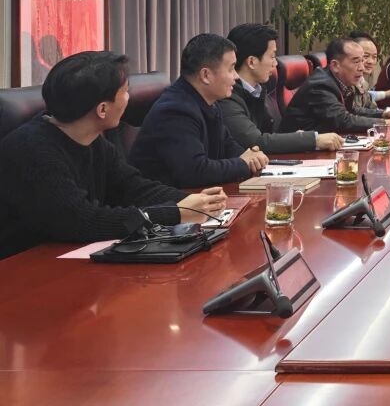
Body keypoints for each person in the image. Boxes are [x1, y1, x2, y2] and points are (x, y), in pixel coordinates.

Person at [0, 51, 227, 260]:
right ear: (102, 109)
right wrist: (174, 214)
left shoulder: (92, 139)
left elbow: (133, 187)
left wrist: (194, 203)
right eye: (125, 91)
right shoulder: (31, 150)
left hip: (67, 258)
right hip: (25, 269)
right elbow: (82, 221)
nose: (129, 98)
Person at [129, 34, 268, 188]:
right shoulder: (175, 111)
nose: (236, 77)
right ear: (206, 75)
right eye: (231, 69)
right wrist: (243, 163)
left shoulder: (208, 102)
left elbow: (228, 146)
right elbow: (196, 171)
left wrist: (251, 157)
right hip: (168, 199)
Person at [221, 23, 344, 153]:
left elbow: (270, 134)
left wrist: (297, 137)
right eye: (272, 56)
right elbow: (256, 142)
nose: (275, 64)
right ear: (252, 62)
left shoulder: (257, 90)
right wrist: (313, 140)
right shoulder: (227, 96)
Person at [280, 37, 390, 134]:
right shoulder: (321, 86)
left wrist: (383, 115)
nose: (361, 67)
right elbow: (343, 121)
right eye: (356, 62)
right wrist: (387, 124)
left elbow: (352, 111)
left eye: (362, 61)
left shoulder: (341, 81)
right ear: (335, 65)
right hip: (296, 154)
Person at [348, 30, 390, 108]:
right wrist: (386, 94)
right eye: (366, 56)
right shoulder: (347, 83)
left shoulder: (362, 81)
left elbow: (368, 101)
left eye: (374, 57)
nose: (370, 61)